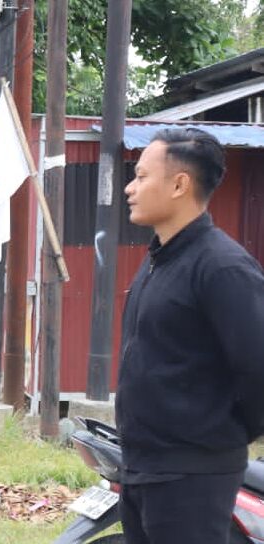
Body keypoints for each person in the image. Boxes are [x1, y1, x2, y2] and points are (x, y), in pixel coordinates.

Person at [116, 128, 264, 543]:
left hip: (192, 474)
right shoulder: (158, 259)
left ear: (180, 184)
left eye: (142, 177)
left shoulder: (223, 268)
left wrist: (218, 433)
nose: (131, 187)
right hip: (142, 467)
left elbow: (257, 369)